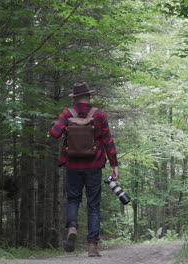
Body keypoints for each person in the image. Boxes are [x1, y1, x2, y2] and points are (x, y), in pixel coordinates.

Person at [50, 82, 119, 257]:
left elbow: (54, 133)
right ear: (88, 96)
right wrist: (114, 164)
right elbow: (107, 140)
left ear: (75, 98)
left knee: (73, 200)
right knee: (93, 206)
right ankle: (92, 246)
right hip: (94, 165)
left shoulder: (68, 113)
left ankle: (72, 226)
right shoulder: (99, 114)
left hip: (73, 165)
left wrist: (67, 127)